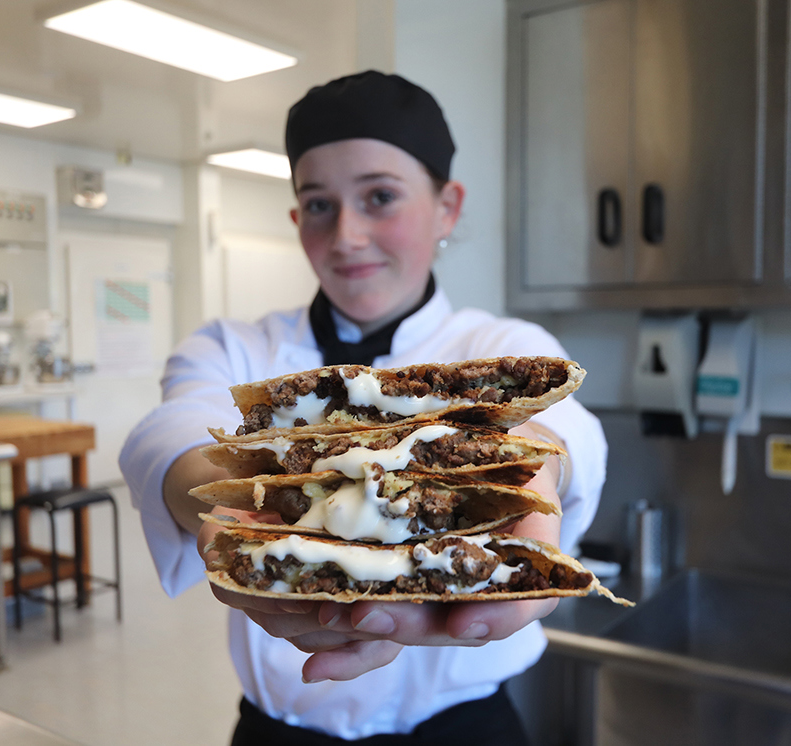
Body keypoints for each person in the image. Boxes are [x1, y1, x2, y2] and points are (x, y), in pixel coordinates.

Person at [119, 70, 608, 745]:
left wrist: (535, 470)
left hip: (466, 730)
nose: (346, 235)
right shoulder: (235, 346)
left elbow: (570, 433)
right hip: (281, 730)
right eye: (318, 205)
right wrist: (259, 512)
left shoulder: (503, 344)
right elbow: (165, 435)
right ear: (295, 219)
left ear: (448, 206)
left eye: (380, 197)